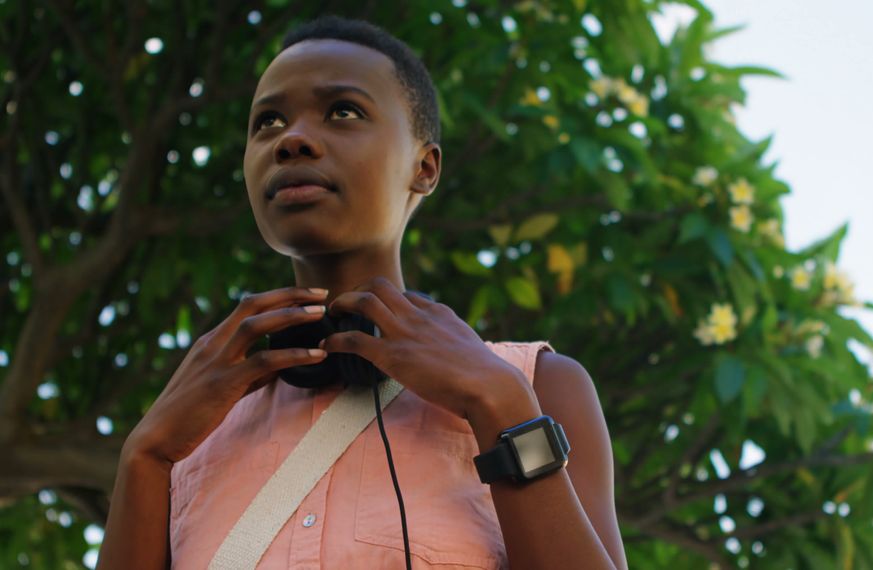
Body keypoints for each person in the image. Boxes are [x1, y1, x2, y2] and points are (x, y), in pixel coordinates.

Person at [98, 14, 627, 570]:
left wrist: (500, 405)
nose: (292, 140)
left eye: (342, 111)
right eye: (268, 122)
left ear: (424, 167)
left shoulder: (537, 386)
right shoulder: (190, 433)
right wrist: (145, 455)